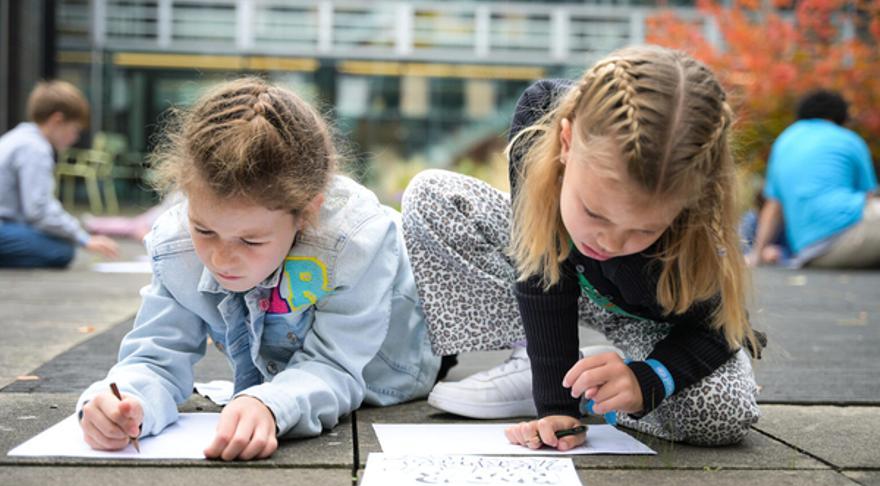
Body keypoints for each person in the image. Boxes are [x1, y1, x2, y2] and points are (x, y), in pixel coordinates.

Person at [402, 45, 763, 449]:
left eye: (644, 230)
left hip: (652, 316)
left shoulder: (690, 206)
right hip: (567, 273)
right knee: (433, 196)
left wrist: (647, 380)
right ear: (566, 141)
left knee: (722, 411)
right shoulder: (543, 117)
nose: (609, 242)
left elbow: (725, 326)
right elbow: (540, 265)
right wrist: (555, 403)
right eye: (594, 213)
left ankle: (596, 382)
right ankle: (536, 362)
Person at [76, 78, 441, 461]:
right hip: (286, 371)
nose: (221, 259)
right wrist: (124, 401)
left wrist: (271, 405)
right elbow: (155, 356)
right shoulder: (175, 243)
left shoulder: (355, 240)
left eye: (250, 241)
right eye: (204, 230)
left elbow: (335, 364)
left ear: (307, 214)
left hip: (391, 370)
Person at [749, 90, 879, 269]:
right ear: (840, 116)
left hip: (809, 252)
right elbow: (869, 197)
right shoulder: (848, 139)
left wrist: (756, 255)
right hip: (847, 234)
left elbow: (773, 205)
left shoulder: (784, 141)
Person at [0, 80, 119, 267]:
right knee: (62, 250)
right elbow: (38, 210)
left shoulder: (19, 137)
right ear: (57, 120)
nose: (75, 138)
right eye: (75, 130)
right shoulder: (35, 148)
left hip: (8, 224)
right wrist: (83, 237)